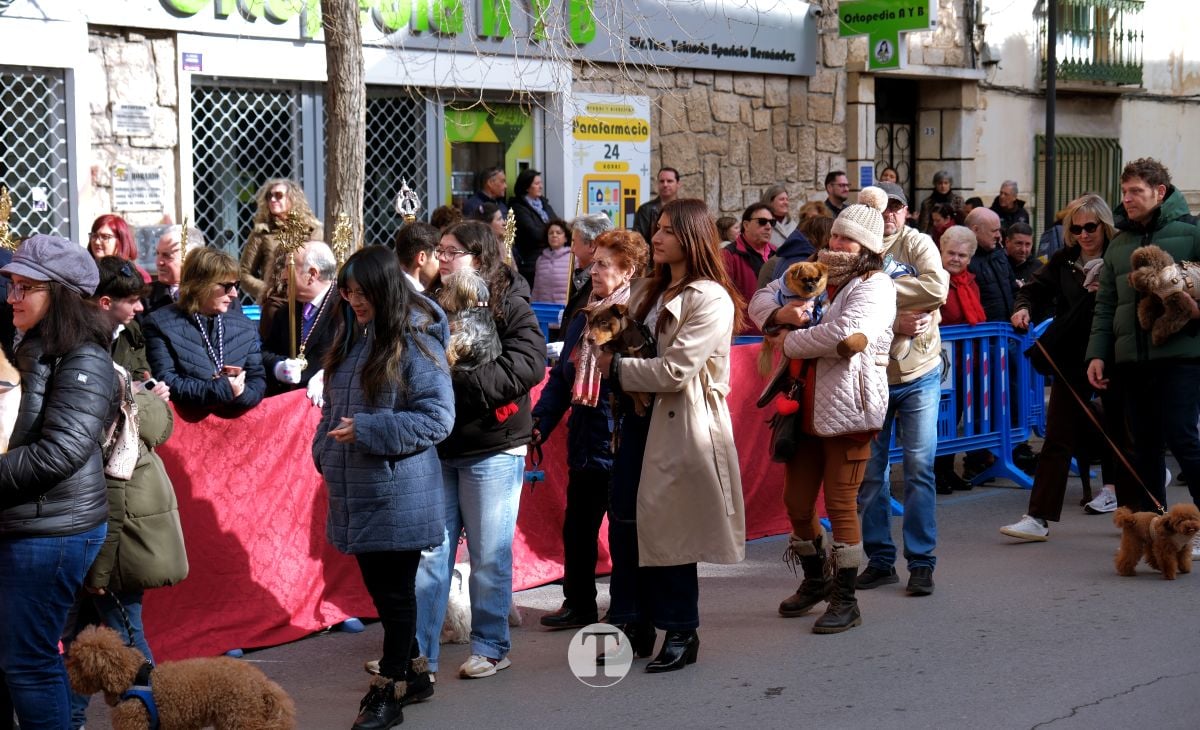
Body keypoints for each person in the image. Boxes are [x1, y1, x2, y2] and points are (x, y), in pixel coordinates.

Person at [596, 198, 746, 672]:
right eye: (656, 229)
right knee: (625, 520)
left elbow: (678, 371)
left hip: (682, 424)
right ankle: (631, 621)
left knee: (670, 526)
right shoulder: (648, 289)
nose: (655, 237)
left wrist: (617, 368)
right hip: (639, 420)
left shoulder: (710, 297)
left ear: (691, 237)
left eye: (665, 231)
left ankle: (681, 629)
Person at [312, 246, 454, 729]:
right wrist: (325, 452)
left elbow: (438, 419)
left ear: (383, 288)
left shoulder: (416, 343)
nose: (352, 299)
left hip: (398, 493)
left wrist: (371, 430)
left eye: (360, 290)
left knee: (394, 596)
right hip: (358, 488)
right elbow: (332, 412)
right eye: (347, 291)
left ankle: (390, 688)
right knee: (385, 592)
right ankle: (414, 674)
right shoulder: (353, 341)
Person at [750, 188, 896, 632]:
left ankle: (846, 599)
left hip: (850, 409)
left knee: (841, 503)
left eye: (846, 240)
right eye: (834, 235)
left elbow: (847, 336)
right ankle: (817, 579)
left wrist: (786, 338)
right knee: (796, 503)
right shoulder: (812, 271)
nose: (835, 245)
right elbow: (760, 299)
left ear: (868, 247)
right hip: (802, 405)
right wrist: (780, 316)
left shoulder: (877, 284)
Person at [414, 220, 544, 680]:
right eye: (440, 251)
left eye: (452, 251)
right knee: (432, 553)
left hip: (492, 444)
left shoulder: (509, 304)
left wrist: (457, 384)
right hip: (439, 446)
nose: (442, 259)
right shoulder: (426, 304)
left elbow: (527, 365)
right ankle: (417, 654)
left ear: (479, 258)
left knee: (489, 553)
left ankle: (490, 645)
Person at [0, 234, 118, 729]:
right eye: (11, 285)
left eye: (25, 287)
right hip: (26, 521)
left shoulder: (84, 358)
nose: (11, 297)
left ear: (62, 295)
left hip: (52, 532)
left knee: (30, 663)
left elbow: (61, 452)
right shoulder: (30, 344)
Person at [67, 256, 186, 728]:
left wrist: (145, 398)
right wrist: (145, 398)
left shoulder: (115, 360)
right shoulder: (105, 369)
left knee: (120, 637)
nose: (140, 308)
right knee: (99, 636)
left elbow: (124, 474)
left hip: (118, 536)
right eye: (133, 300)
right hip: (115, 535)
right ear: (103, 303)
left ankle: (149, 717)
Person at [532, 230, 646, 630]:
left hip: (619, 436)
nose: (592, 270)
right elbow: (563, 377)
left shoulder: (636, 315)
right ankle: (578, 603)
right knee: (578, 527)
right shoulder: (587, 307)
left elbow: (639, 381)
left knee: (621, 529)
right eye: (593, 261)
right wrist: (539, 424)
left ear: (628, 270)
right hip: (584, 436)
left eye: (603, 264)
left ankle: (623, 609)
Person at [1000, 194, 1121, 541]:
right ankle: (1037, 517)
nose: (1083, 234)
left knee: (1122, 431)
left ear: (1104, 224)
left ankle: (1132, 507)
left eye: (1090, 227)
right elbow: (1034, 290)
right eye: (1076, 228)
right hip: (1070, 357)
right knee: (1056, 438)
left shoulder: (1118, 256)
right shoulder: (1064, 259)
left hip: (1111, 355)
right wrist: (1022, 308)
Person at [1086, 158, 1200, 520]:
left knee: (1183, 439)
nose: (1128, 199)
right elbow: (1105, 306)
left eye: (1136, 191)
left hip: (1182, 355)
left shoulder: (1193, 232)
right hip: (1132, 361)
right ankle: (1158, 525)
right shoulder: (1119, 244)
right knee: (1144, 447)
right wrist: (1097, 355)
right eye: (1124, 192)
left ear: (1160, 192)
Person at [853, 182, 949, 597]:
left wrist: (879, 293)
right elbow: (845, 301)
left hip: (919, 373)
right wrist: (894, 318)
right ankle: (879, 560)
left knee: (919, 468)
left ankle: (922, 562)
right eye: (882, 207)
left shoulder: (919, 243)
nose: (889, 214)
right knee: (869, 474)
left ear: (906, 211)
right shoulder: (858, 247)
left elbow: (936, 289)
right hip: (872, 374)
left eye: (896, 207)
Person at [144, 247, 266, 419]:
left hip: (236, 428)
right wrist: (220, 390)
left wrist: (241, 395)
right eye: (227, 286)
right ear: (200, 285)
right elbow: (167, 380)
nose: (234, 294)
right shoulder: (159, 323)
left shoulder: (245, 326)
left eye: (236, 285)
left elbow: (257, 380)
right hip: (185, 432)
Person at [932, 226, 987, 492]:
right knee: (939, 418)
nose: (955, 259)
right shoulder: (933, 278)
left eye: (962, 255)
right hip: (941, 363)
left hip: (967, 362)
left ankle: (947, 469)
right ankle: (935, 473)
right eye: (951, 253)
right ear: (940, 250)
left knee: (954, 418)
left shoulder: (970, 281)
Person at [261, 241, 338, 397]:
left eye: (289, 267)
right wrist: (278, 366)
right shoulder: (285, 313)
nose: (282, 276)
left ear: (312, 274)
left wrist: (331, 377)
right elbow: (265, 352)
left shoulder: (346, 309)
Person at [238, 179, 323, 306]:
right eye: (269, 196)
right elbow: (244, 274)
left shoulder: (311, 230)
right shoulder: (262, 232)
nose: (272, 200)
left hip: (306, 301)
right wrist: (268, 291)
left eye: (278, 195)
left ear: (293, 199)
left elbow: (319, 267)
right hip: (274, 304)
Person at [722, 202, 778, 332]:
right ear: (746, 225)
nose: (768, 227)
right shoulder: (729, 255)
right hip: (743, 335)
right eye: (762, 222)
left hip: (774, 334)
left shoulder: (778, 254)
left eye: (772, 222)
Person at [558, 213, 614, 341]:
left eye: (574, 242)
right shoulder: (581, 277)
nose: (572, 249)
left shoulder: (602, 283)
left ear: (592, 245)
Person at [509, 168, 558, 287]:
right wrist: (554, 236)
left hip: (552, 255)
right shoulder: (518, 207)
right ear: (526, 187)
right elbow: (533, 233)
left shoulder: (543, 203)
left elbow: (557, 224)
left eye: (540, 183)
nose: (541, 186)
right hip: (532, 260)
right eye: (536, 184)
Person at [965, 206, 1016, 322]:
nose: (999, 235)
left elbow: (1013, 288)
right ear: (975, 230)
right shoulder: (964, 260)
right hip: (984, 334)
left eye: (999, 230)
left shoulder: (999, 253)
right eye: (993, 231)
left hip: (1009, 331)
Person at [144, 225, 202, 316]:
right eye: (157, 254)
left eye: (167, 255)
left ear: (192, 258)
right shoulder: (144, 297)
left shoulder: (219, 294)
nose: (159, 262)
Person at [88, 215, 150, 282]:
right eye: (94, 236)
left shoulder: (138, 276)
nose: (97, 242)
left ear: (121, 240)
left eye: (105, 237)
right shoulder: (84, 273)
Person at [633, 167, 680, 252]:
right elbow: (638, 241)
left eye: (669, 181)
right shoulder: (645, 210)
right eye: (662, 181)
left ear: (678, 184)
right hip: (653, 261)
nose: (665, 184)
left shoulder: (685, 210)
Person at [530, 219, 572, 304]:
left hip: (565, 309)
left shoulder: (573, 258)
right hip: (545, 310)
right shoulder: (541, 260)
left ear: (566, 238)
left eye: (558, 233)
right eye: (551, 233)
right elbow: (536, 289)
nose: (554, 235)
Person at [392, 222, 440, 292]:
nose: (442, 261)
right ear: (421, 258)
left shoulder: (392, 286)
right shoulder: (416, 297)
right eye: (437, 255)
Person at [916, 170, 965, 235]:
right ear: (935, 184)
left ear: (950, 184)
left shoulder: (958, 201)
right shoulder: (927, 203)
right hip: (932, 236)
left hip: (954, 235)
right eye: (940, 183)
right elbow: (924, 225)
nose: (943, 186)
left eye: (946, 183)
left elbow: (962, 222)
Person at [1004, 222, 1041, 287]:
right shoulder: (997, 266)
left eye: (1027, 244)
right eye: (1019, 243)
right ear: (1007, 242)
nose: (1023, 250)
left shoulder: (1039, 269)